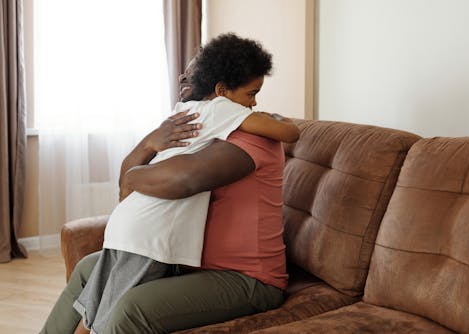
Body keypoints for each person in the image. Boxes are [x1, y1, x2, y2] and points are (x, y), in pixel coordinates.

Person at [41, 34, 296, 334]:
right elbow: (130, 183)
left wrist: (134, 177)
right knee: (88, 269)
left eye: (191, 74)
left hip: (248, 278)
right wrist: (150, 141)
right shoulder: (195, 125)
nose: (182, 79)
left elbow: (182, 179)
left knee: (131, 307)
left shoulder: (253, 137)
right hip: (186, 263)